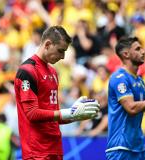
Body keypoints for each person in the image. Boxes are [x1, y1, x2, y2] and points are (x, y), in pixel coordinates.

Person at [14, 26, 100, 160]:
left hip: (55, 148)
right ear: (48, 44)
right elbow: (31, 113)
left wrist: (76, 114)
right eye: (60, 51)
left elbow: (53, 115)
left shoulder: (53, 72)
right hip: (36, 151)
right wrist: (68, 112)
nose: (63, 56)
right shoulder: (28, 71)